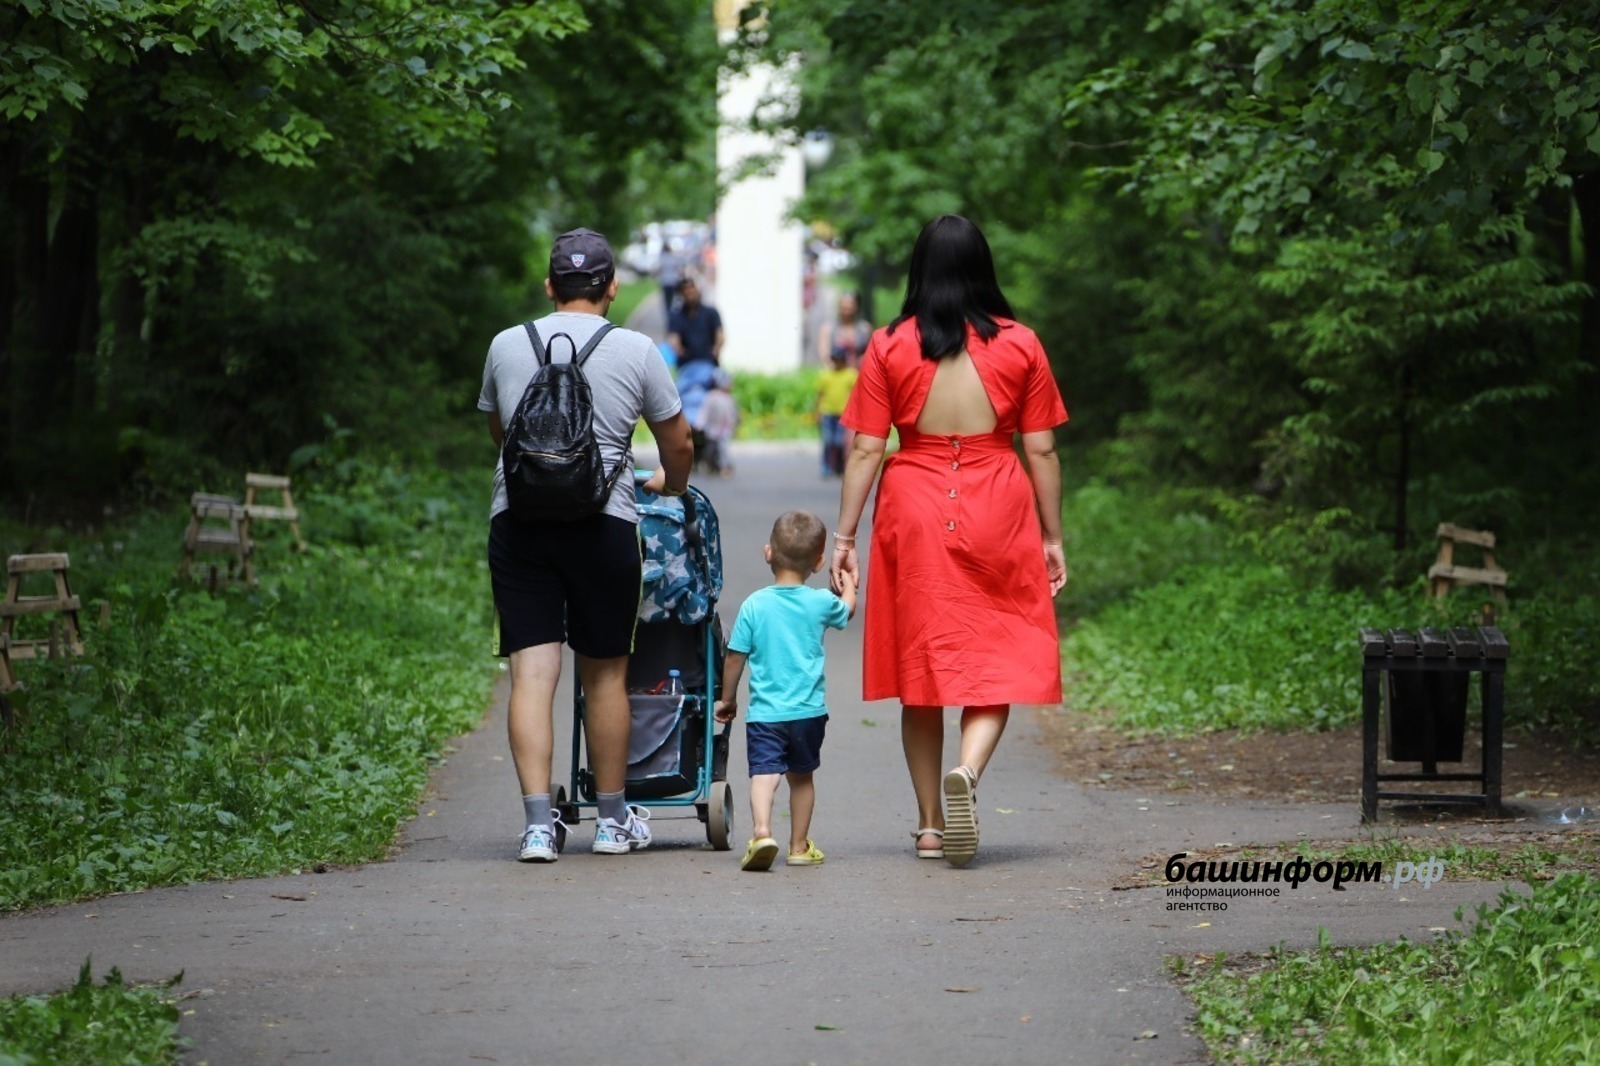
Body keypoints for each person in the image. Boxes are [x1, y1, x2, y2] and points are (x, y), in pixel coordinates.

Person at [830, 214, 1068, 869]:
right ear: (983, 268)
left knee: (922, 669)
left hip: (914, 502)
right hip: (999, 498)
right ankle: (968, 769)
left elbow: (867, 447)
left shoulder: (888, 344)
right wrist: (1053, 536)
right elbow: (1041, 447)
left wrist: (844, 537)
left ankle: (932, 825)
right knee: (999, 650)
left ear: (920, 271)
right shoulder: (1021, 344)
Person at [478, 227, 695, 863]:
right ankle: (609, 822)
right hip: (604, 523)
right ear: (612, 287)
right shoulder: (636, 349)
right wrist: (672, 487)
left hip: (519, 521)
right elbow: (677, 443)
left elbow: (499, 427)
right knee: (604, 676)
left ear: (549, 286)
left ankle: (539, 828)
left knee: (532, 673)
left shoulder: (506, 345)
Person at [716, 511, 857, 871]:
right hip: (809, 713)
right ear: (818, 562)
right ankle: (798, 846)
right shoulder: (819, 602)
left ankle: (762, 832)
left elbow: (735, 658)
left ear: (768, 553)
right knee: (802, 778)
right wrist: (850, 584)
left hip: (766, 714)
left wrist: (728, 697)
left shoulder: (754, 605)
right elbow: (846, 611)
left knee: (764, 774)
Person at [815, 348, 858, 477]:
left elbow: (857, 393)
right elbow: (820, 394)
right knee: (828, 441)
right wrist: (817, 411)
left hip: (842, 413)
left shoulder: (850, 374)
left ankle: (839, 465)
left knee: (839, 442)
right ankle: (826, 465)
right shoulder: (826, 375)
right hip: (827, 411)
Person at [667, 277, 723, 369]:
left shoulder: (711, 313)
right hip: (687, 365)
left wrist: (716, 349)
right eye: (685, 290)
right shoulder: (677, 317)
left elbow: (720, 335)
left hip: (709, 363)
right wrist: (680, 350)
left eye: (691, 288)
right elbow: (674, 339)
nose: (689, 292)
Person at [698, 370, 740, 478]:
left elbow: (733, 413)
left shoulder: (729, 398)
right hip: (713, 428)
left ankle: (724, 467)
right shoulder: (712, 396)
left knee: (723, 449)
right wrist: (700, 424)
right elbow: (705, 412)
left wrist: (736, 424)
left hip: (725, 429)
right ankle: (712, 465)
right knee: (711, 449)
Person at [817, 290, 872, 369]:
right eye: (843, 303)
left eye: (850, 303)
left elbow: (869, 354)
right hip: (835, 375)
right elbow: (824, 354)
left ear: (857, 306)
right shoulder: (828, 328)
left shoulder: (865, 329)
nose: (846, 306)